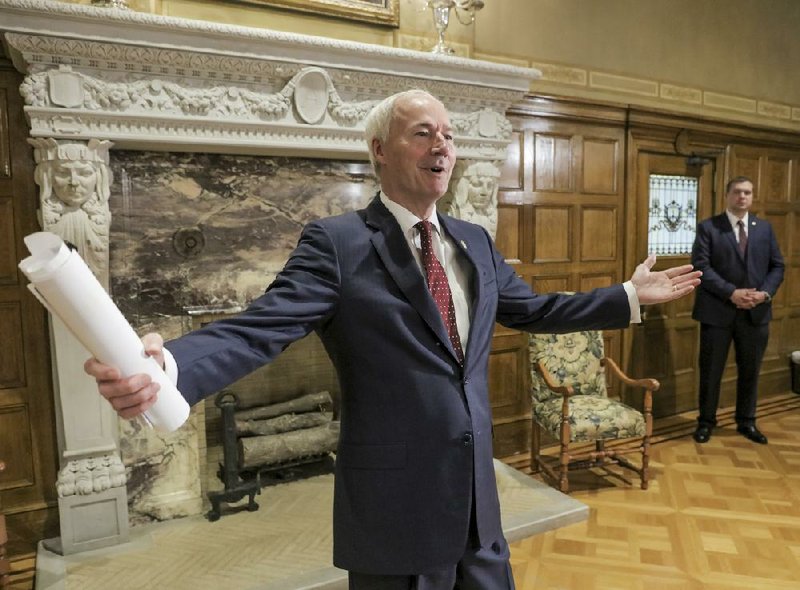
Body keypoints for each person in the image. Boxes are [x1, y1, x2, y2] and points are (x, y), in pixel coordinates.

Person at [85, 89, 700, 589]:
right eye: (423, 132)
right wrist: (171, 367)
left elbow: (535, 309)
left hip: (477, 512)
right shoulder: (339, 242)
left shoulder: (474, 241)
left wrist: (625, 297)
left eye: (450, 134)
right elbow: (262, 327)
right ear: (379, 150)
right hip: (395, 512)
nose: (443, 144)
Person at [691, 176, 784, 445]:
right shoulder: (709, 227)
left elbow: (777, 266)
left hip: (756, 313)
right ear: (727, 195)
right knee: (711, 371)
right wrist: (731, 292)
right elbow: (701, 266)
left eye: (747, 193)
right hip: (717, 313)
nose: (742, 197)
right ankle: (706, 422)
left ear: (752, 197)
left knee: (750, 370)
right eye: (737, 192)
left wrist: (764, 293)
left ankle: (747, 421)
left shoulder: (764, 229)